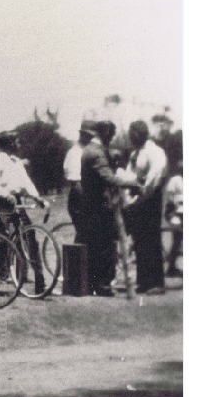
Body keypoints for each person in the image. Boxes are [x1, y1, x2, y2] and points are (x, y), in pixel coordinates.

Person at [78, 121, 139, 296]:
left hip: (93, 204)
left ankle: (94, 283)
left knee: (96, 245)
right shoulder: (96, 153)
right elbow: (109, 178)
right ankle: (103, 285)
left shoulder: (92, 150)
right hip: (99, 206)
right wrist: (132, 183)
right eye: (111, 136)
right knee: (104, 246)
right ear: (104, 133)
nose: (111, 140)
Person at [0, 130, 47, 294]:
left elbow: (26, 182)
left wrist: (36, 197)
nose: (19, 145)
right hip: (2, 204)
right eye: (17, 142)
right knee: (5, 240)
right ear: (10, 143)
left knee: (31, 238)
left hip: (17, 202)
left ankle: (40, 281)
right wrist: (6, 196)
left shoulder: (16, 162)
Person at [126, 120, 168, 295]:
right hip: (137, 196)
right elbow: (129, 174)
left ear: (141, 134)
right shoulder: (135, 153)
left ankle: (157, 282)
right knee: (139, 239)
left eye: (134, 134)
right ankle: (143, 281)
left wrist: (141, 195)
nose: (132, 138)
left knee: (151, 237)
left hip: (150, 198)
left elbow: (154, 177)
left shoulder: (155, 151)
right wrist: (129, 195)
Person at [63, 120, 95, 239]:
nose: (91, 139)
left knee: (88, 236)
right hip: (80, 197)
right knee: (85, 233)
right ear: (82, 135)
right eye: (89, 135)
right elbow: (75, 182)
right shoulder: (75, 153)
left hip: (88, 196)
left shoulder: (89, 150)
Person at [164, 161, 183, 276]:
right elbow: (170, 196)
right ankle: (171, 266)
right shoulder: (175, 180)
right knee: (177, 240)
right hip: (178, 212)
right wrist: (173, 209)